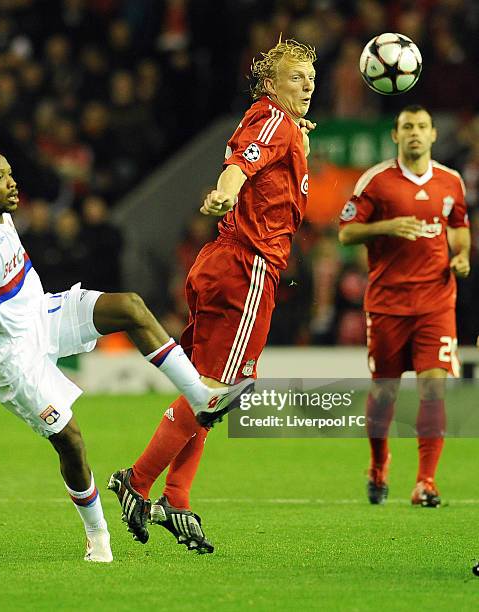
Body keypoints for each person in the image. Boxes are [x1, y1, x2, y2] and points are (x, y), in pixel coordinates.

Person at [0, 144, 250, 563]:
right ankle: (97, 535)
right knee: (71, 442)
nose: (12, 182)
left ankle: (201, 397)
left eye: (10, 173)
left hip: (42, 314)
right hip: (11, 356)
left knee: (130, 307)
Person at [109, 37, 317, 552]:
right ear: (271, 84)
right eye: (296, 77)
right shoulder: (274, 121)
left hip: (228, 263)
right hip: (246, 269)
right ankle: (135, 483)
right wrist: (226, 192)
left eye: (311, 78)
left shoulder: (281, 126)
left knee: (208, 391)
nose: (308, 85)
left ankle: (176, 500)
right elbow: (240, 167)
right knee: (219, 390)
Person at [338, 105, 471, 507]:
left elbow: (460, 229)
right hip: (388, 305)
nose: (415, 133)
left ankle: (425, 483)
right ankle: (379, 465)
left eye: (422, 126)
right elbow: (346, 233)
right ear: (396, 136)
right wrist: (386, 227)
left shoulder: (451, 182)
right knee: (384, 394)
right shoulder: (376, 182)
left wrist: (461, 256)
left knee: (434, 386)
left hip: (435, 301)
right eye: (407, 127)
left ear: (433, 135)